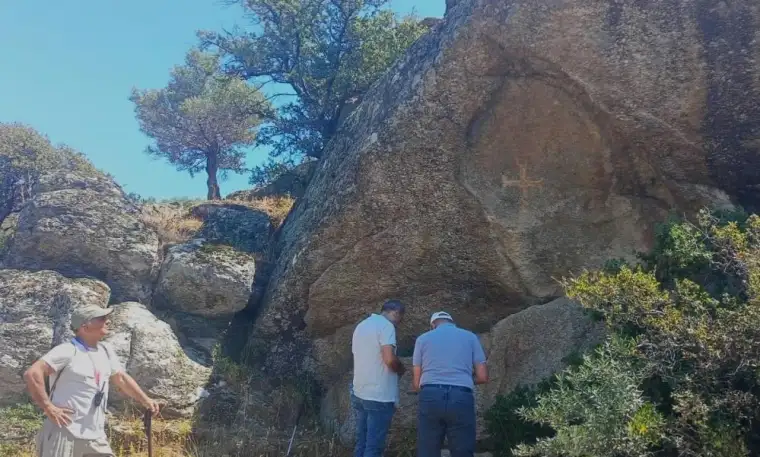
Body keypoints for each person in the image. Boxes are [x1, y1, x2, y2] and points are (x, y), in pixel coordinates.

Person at [23, 304, 161, 457]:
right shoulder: (68, 350)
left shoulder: (106, 350)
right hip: (63, 432)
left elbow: (121, 378)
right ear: (85, 326)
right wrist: (48, 407)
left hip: (95, 435)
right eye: (102, 318)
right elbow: (33, 373)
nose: (108, 321)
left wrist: (145, 400)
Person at [412, 311, 488, 457]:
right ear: (452, 322)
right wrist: (464, 380)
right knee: (463, 449)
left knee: (427, 449)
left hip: (431, 395)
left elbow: (416, 382)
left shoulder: (423, 339)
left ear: (433, 325)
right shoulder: (470, 337)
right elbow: (483, 376)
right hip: (461, 395)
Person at [350, 299, 407, 457]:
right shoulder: (386, 326)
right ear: (395, 313)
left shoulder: (362, 325)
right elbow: (389, 359)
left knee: (361, 442)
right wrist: (401, 369)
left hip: (359, 391)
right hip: (378, 395)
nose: (399, 324)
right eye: (400, 319)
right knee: (374, 447)